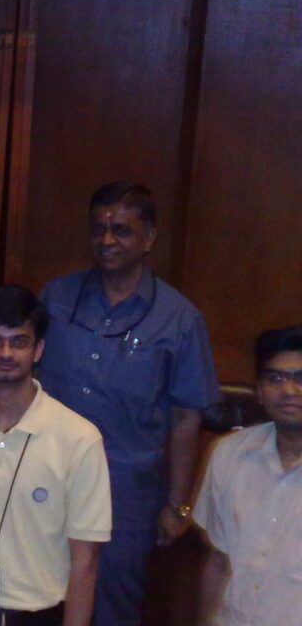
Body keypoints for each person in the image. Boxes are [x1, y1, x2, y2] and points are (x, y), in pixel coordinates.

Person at [37, 181, 220, 626]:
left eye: (121, 230)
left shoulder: (178, 318)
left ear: (149, 238)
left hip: (126, 492)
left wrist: (177, 505)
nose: (107, 240)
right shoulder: (57, 298)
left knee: (112, 603)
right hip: (47, 477)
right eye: (98, 228)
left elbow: (186, 416)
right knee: (36, 594)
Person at [0, 285, 111, 626]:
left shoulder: (79, 438)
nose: (5, 353)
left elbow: (85, 558)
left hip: (36, 614)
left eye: (18, 342)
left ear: (38, 349)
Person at [194, 325, 302, 626]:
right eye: (275, 378)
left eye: (300, 378)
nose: (289, 390)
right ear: (259, 391)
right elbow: (218, 559)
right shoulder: (229, 453)